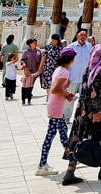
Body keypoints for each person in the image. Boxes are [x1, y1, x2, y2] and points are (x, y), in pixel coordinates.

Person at [61, 44, 101, 185]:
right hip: (97, 114)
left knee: (80, 138)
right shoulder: (100, 72)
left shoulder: (89, 70)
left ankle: (70, 171)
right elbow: (94, 94)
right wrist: (97, 112)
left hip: (83, 112)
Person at [35, 47, 77, 178]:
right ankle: (42, 165)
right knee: (51, 136)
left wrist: (65, 92)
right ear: (70, 59)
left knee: (63, 133)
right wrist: (68, 93)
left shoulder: (60, 70)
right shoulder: (64, 72)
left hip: (56, 107)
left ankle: (72, 157)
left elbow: (58, 89)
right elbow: (55, 90)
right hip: (56, 108)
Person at [65, 30, 93, 120]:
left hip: (85, 79)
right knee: (69, 98)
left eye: (85, 35)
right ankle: (66, 116)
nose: (83, 36)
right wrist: (66, 77)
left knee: (84, 99)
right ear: (77, 36)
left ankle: (81, 116)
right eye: (81, 35)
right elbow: (65, 63)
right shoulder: (71, 47)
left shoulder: (89, 47)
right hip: (72, 77)